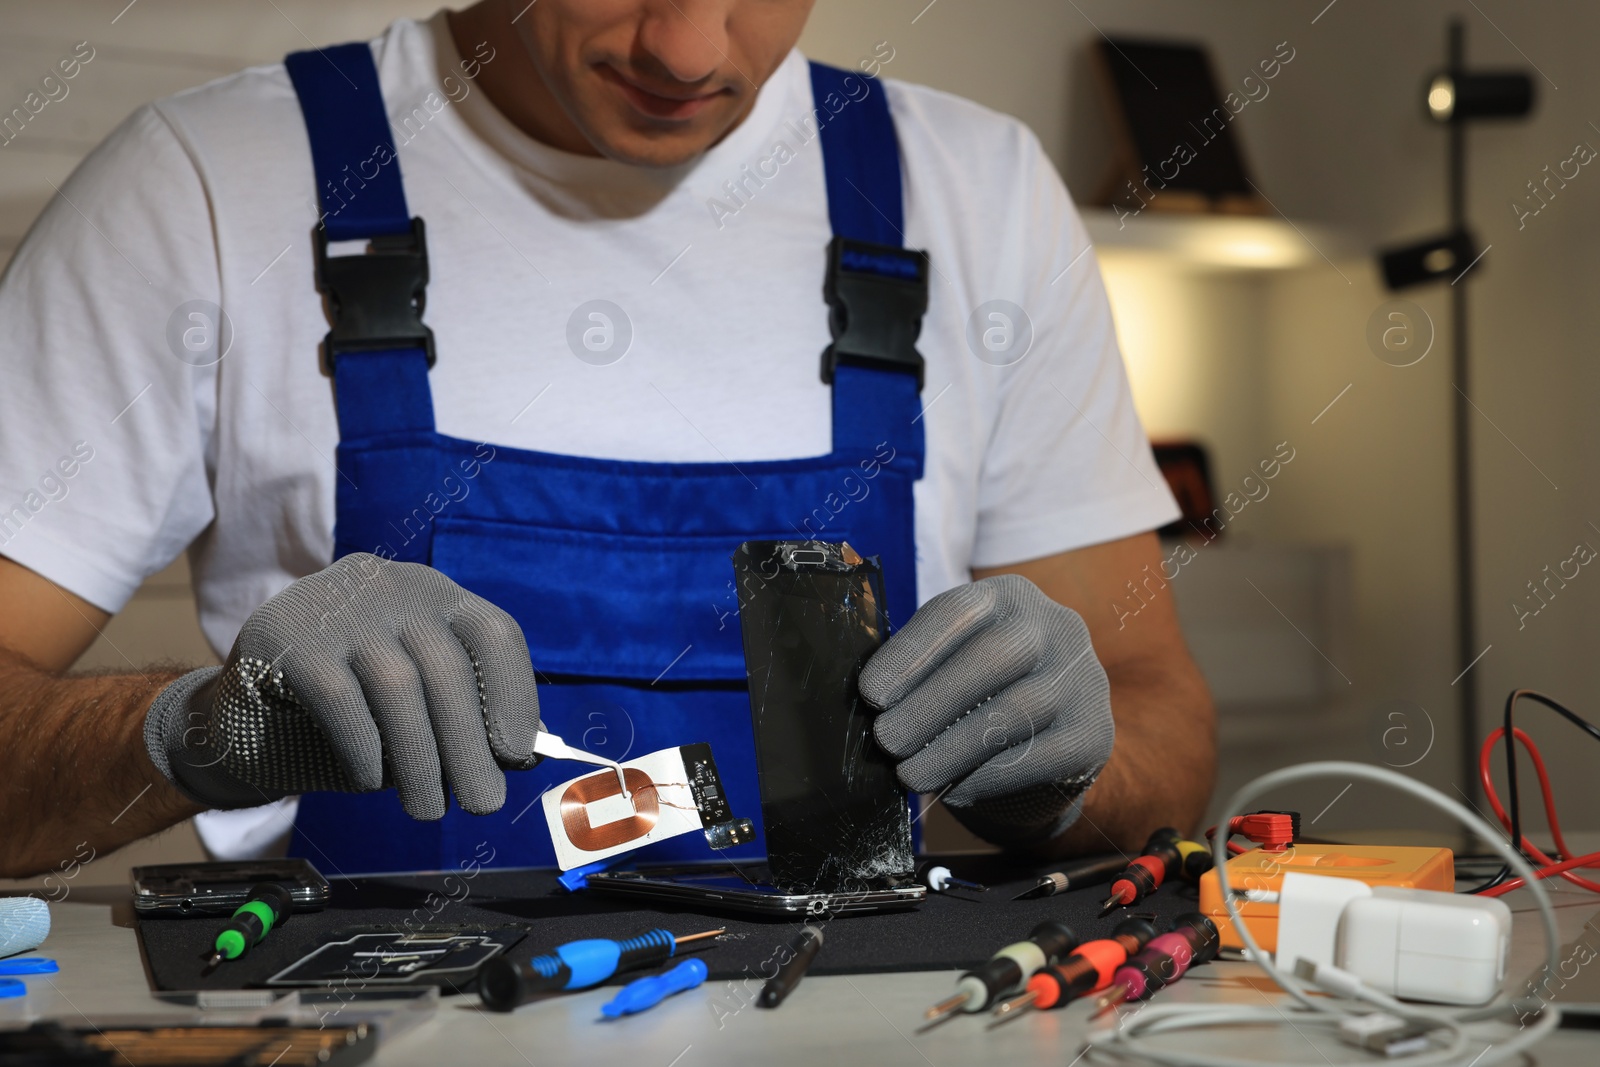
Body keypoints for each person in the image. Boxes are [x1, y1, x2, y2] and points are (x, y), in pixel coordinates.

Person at [0, 0, 1214, 879]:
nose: (686, 48)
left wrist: (1059, 783)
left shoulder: (981, 192)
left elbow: (1162, 725)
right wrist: (200, 730)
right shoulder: (206, 185)